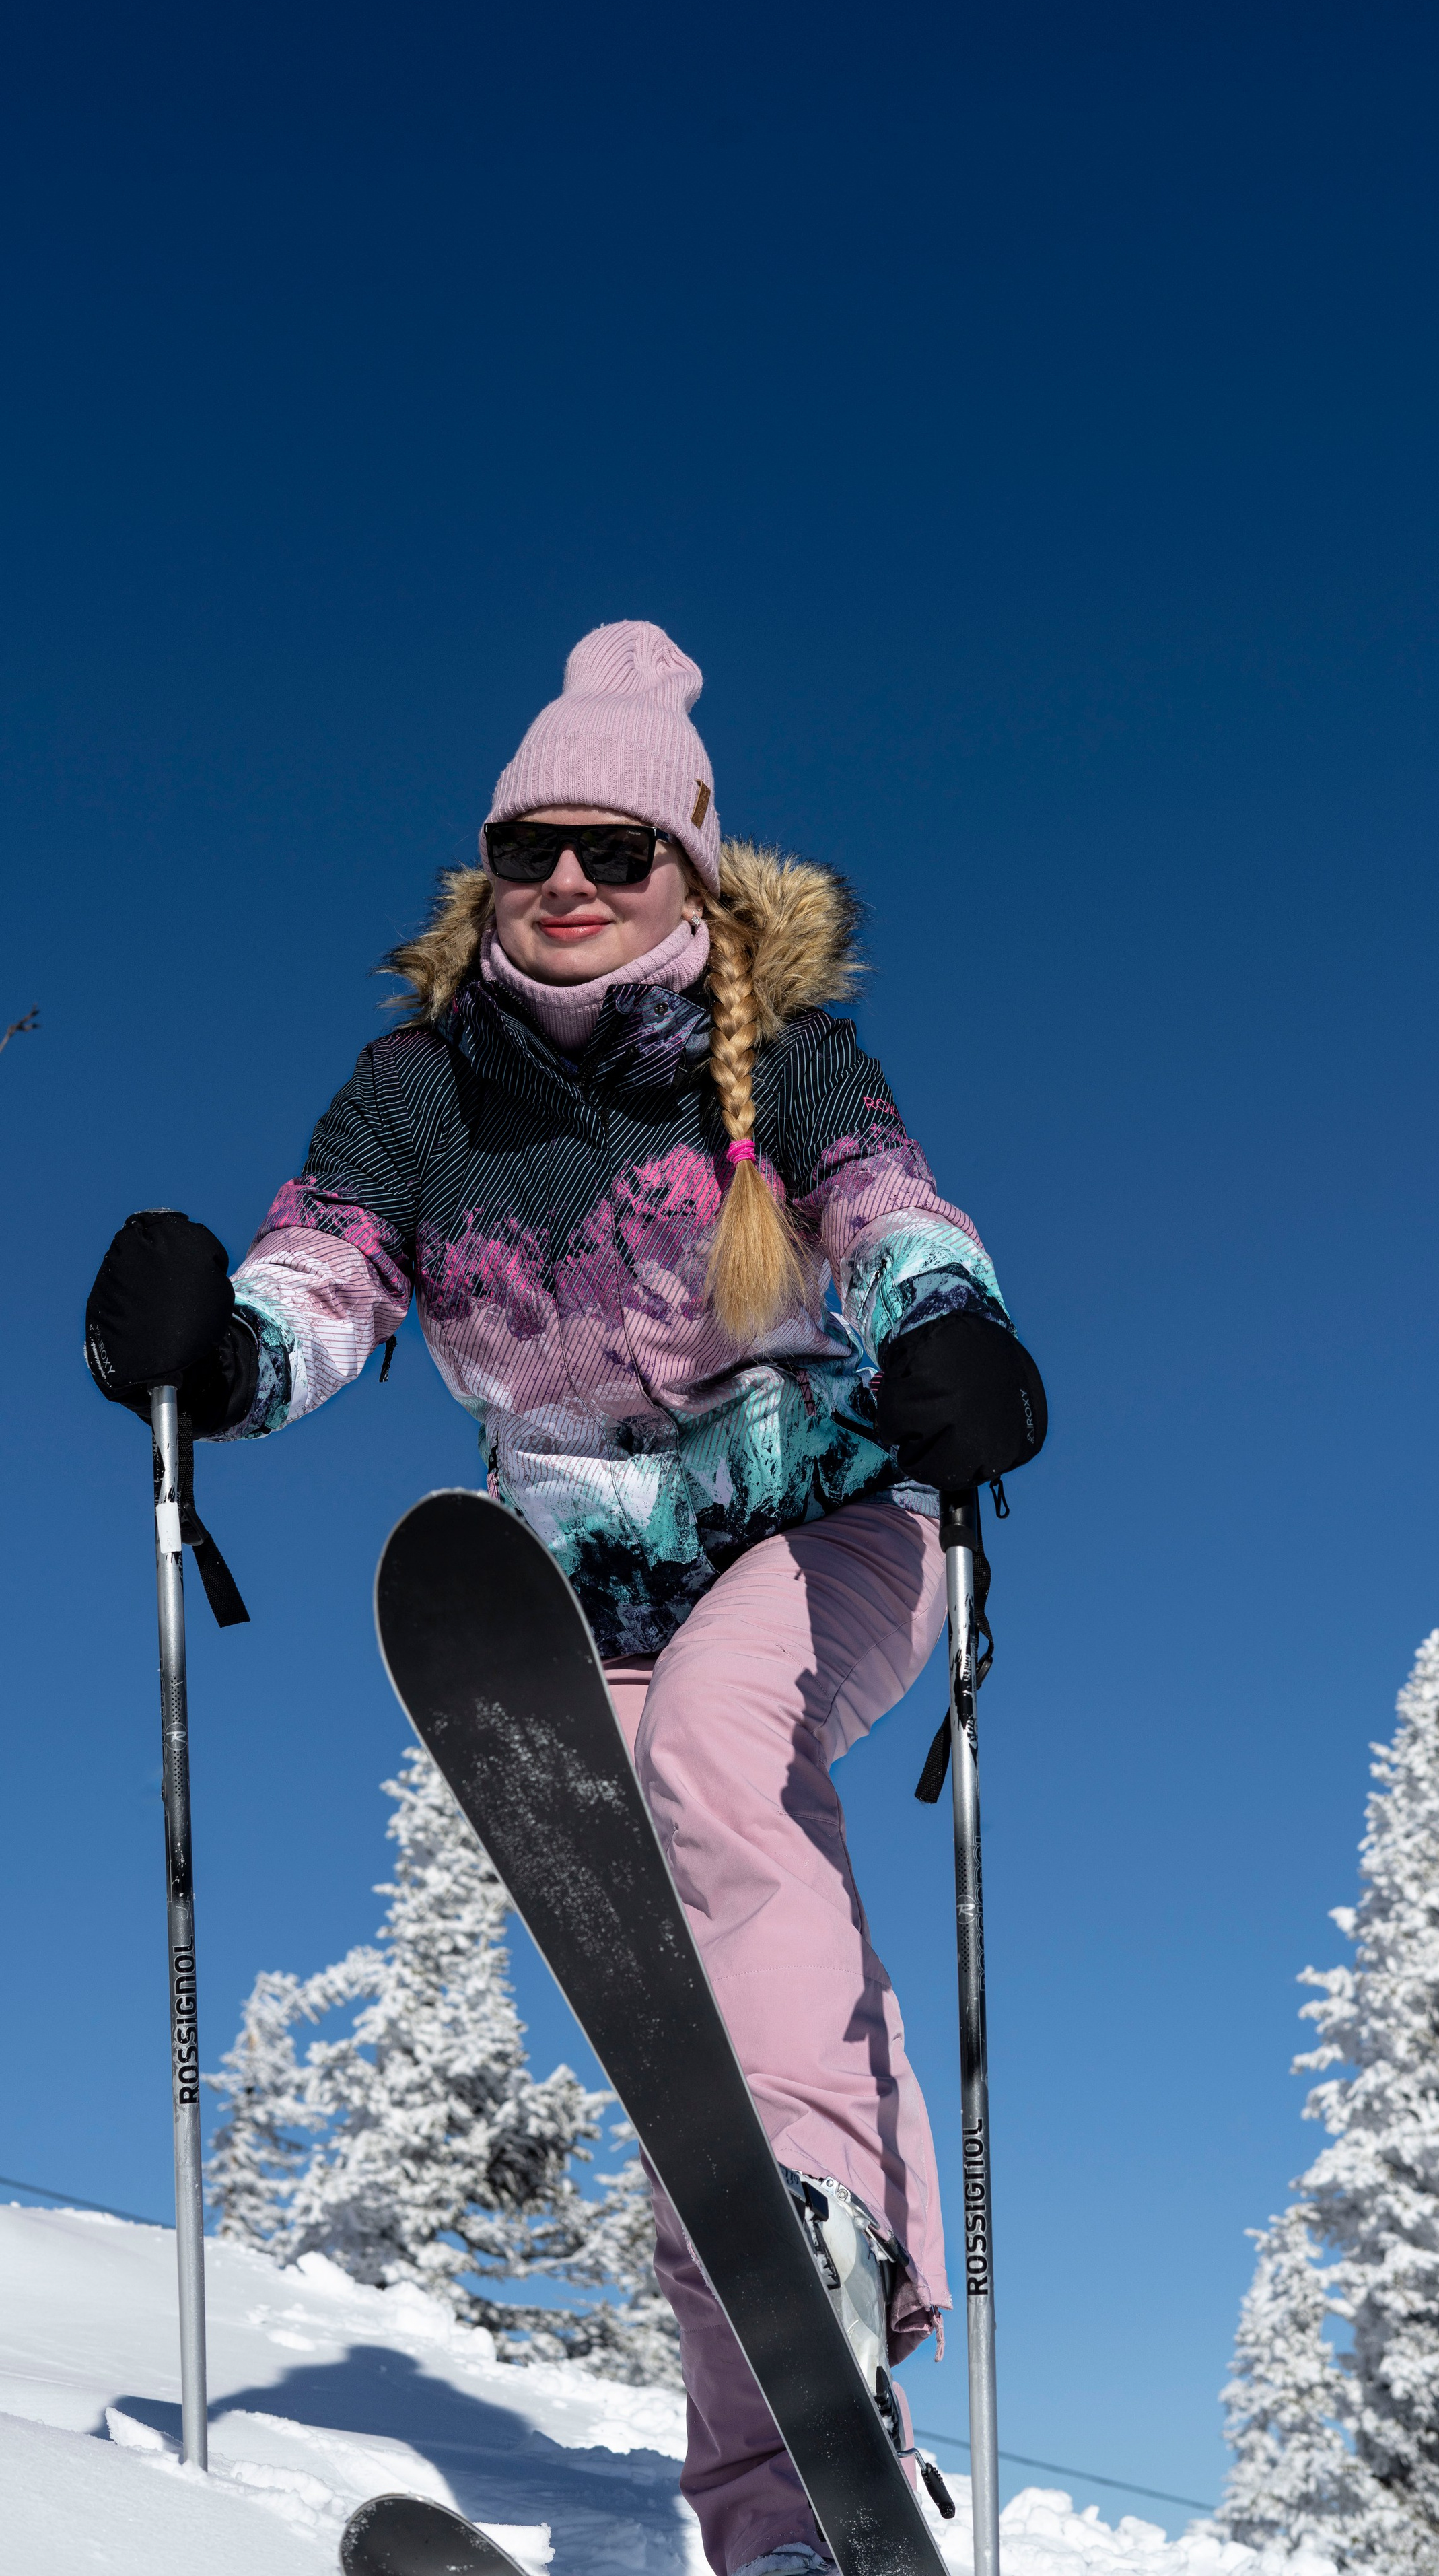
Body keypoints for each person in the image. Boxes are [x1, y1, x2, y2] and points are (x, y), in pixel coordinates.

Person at [85, 620, 1045, 2576]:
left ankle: (833, 2238)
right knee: (678, 2042)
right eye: (536, 851)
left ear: (692, 872)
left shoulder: (795, 1071)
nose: (574, 886)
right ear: (489, 875)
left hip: (825, 1539)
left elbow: (891, 1218)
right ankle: (782, 2516)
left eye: (620, 852)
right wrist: (226, 1353)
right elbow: (324, 1279)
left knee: (718, 1755)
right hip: (574, 1602)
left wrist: (954, 1332)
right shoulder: (419, 1097)